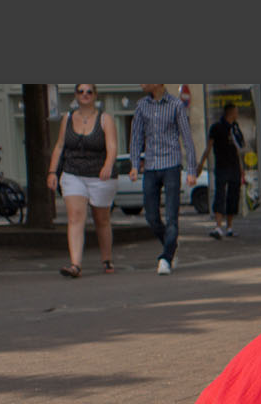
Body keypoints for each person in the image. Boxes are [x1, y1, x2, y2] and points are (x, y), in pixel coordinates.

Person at [46, 85, 119, 277]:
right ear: (75, 96)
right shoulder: (67, 118)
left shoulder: (105, 119)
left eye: (89, 91)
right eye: (81, 91)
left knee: (101, 219)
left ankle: (107, 258)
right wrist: (53, 172)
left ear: (95, 95)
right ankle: (75, 265)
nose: (85, 95)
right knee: (75, 217)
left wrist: (108, 166)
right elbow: (60, 146)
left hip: (99, 174)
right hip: (73, 173)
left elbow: (112, 147)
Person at [129, 84, 200, 275]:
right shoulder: (141, 105)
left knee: (171, 216)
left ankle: (166, 258)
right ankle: (171, 246)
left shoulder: (176, 105)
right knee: (151, 216)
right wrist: (135, 164)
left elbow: (187, 138)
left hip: (171, 164)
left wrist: (191, 170)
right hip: (151, 165)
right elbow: (136, 136)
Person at [199, 103, 247, 239]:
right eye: (236, 112)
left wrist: (241, 169)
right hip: (221, 166)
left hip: (234, 167)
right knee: (220, 195)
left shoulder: (235, 128)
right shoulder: (217, 127)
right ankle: (218, 226)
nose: (237, 114)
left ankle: (230, 227)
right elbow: (209, 147)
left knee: (233, 196)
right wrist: (201, 164)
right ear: (230, 112)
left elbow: (239, 149)